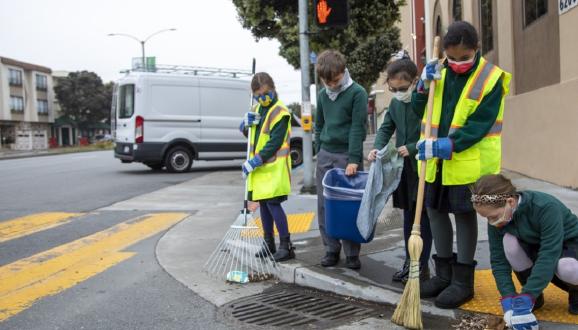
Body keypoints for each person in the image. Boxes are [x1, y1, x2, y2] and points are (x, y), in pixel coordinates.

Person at [413, 21, 512, 308]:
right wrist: (422, 86)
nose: (456, 63)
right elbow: (419, 109)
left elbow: (481, 123)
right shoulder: (438, 70)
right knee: (434, 211)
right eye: (451, 57)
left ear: (476, 49)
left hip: (467, 161)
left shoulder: (491, 78)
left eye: (463, 57)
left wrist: (447, 144)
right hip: (434, 161)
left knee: (464, 215)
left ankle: (462, 282)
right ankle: (443, 275)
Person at [471, 174, 578, 329]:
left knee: (567, 266)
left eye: (493, 217)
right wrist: (508, 296)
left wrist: (528, 295)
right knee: (509, 242)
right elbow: (498, 260)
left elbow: (549, 254)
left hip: (570, 245)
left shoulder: (545, 207)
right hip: (538, 245)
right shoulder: (497, 218)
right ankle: (535, 298)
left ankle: (575, 294)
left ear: (510, 201)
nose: (491, 222)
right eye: (486, 218)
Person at [367, 51, 432, 283]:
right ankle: (409, 260)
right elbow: (386, 128)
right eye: (394, 89)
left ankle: (422, 265)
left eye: (403, 88)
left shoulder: (425, 101)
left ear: (415, 81)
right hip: (405, 170)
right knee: (407, 217)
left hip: (425, 166)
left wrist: (414, 147)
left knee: (422, 218)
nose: (399, 93)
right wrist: (377, 147)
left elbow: (434, 130)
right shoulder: (395, 105)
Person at [315, 49, 368, 270]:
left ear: (342, 71)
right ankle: (331, 249)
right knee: (324, 205)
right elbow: (319, 125)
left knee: (349, 206)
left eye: (335, 80)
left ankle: (352, 253)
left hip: (348, 155)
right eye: (326, 81)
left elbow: (358, 128)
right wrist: (320, 149)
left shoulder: (357, 93)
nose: (331, 85)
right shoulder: (322, 95)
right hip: (326, 154)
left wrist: (354, 159)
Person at [240, 72, 294, 262]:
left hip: (275, 169)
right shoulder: (256, 109)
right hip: (262, 170)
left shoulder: (280, 111)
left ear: (273, 89)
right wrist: (244, 126)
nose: (263, 99)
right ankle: (268, 243)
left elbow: (275, 142)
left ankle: (286, 245)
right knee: (263, 204)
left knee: (273, 204)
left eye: (266, 94)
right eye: (259, 96)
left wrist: (255, 160)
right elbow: (252, 138)